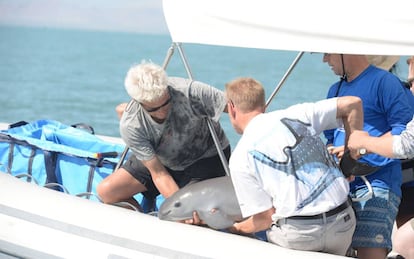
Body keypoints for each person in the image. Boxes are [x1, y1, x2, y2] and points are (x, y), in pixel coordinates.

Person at [225, 77, 363, 256]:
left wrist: (236, 228)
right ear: (264, 104)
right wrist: (350, 159)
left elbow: (264, 219)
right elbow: (353, 104)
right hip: (341, 223)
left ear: (231, 107)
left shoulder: (240, 157)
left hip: (298, 236)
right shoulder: (297, 114)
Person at [97, 61, 231, 212]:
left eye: (166, 103)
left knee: (199, 213)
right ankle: (143, 219)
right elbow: (159, 174)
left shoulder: (189, 90)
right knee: (107, 192)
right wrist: (183, 209)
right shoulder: (131, 125)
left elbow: (236, 108)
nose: (162, 111)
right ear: (139, 102)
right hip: (161, 162)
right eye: (154, 108)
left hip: (206, 158)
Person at [323, 54, 414, 259]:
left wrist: (362, 148)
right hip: (342, 185)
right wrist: (335, 152)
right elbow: (329, 136)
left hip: (378, 183)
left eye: (328, 53)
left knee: (369, 251)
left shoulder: (385, 82)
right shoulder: (333, 90)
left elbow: (403, 131)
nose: (325, 60)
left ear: (345, 52)